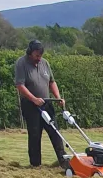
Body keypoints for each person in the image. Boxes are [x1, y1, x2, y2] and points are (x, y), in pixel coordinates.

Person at [14, 40, 68, 168]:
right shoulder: (21, 63)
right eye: (37, 55)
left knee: (55, 131)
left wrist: (58, 98)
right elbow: (20, 85)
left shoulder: (45, 63)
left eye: (41, 55)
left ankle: (63, 161)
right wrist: (33, 99)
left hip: (46, 103)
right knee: (35, 134)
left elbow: (51, 82)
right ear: (30, 52)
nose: (39, 58)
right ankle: (35, 165)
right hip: (30, 105)